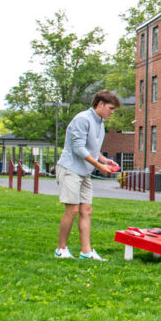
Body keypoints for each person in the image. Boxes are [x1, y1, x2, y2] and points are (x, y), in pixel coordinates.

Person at [54, 89, 121, 260]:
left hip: (84, 171)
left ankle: (86, 252)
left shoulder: (100, 122)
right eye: (110, 108)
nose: (112, 113)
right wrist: (99, 166)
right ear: (100, 104)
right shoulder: (83, 119)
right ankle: (61, 249)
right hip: (70, 169)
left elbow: (92, 149)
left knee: (87, 210)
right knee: (72, 209)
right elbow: (78, 148)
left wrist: (105, 160)